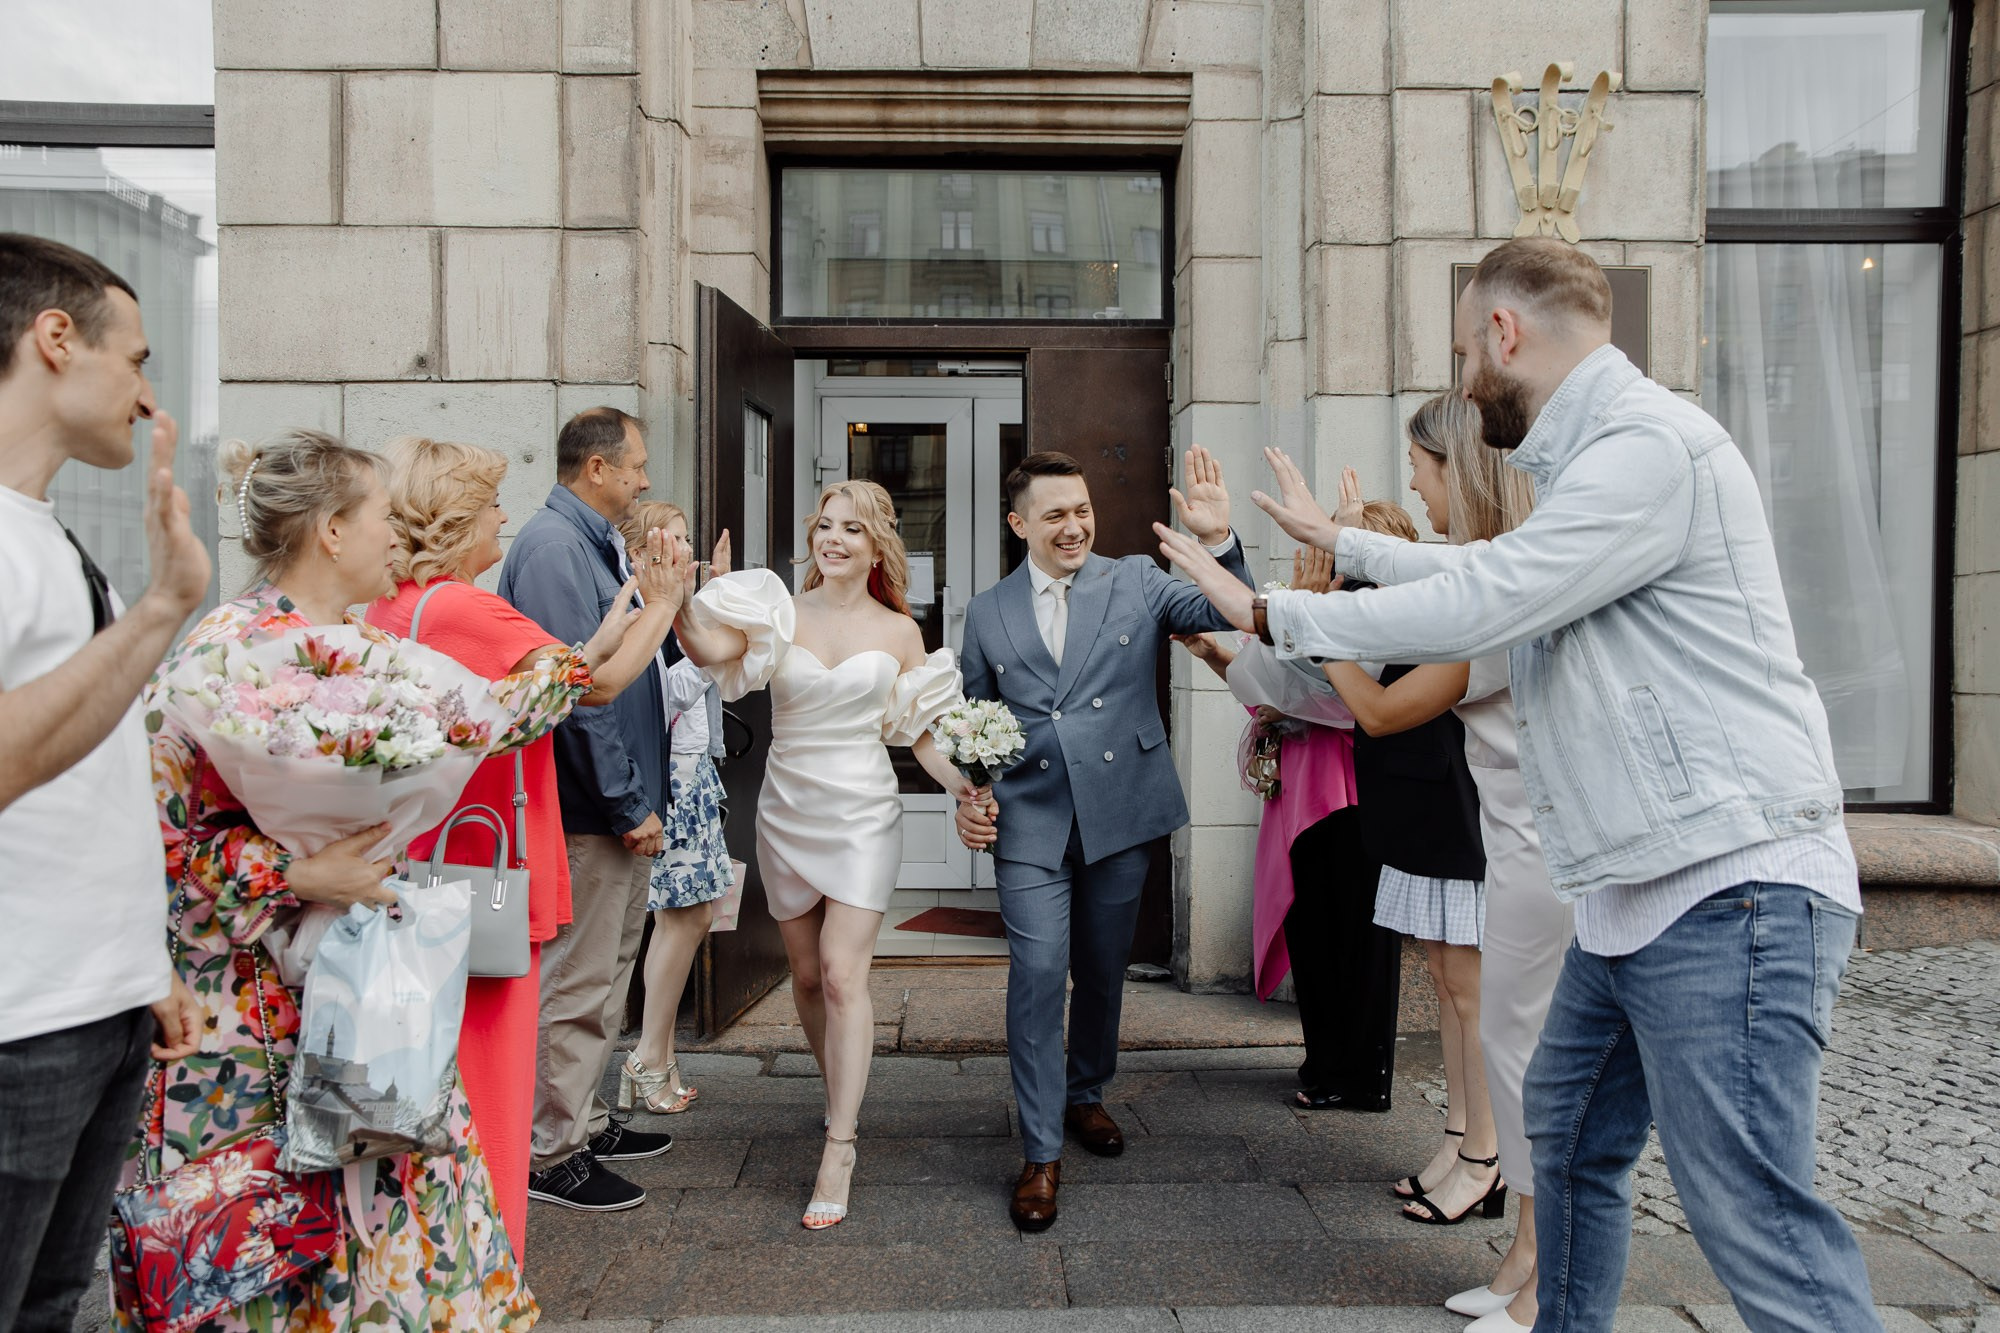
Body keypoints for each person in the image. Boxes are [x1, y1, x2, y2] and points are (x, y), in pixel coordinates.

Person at [1157, 236, 1878, 1333]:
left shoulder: (1647, 448)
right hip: (1631, 891)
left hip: (1726, 882)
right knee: (1567, 1140)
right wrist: (1340, 541)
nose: (1459, 383)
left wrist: (1272, 609)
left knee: (1752, 1219)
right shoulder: (1593, 460)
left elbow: (1494, 595)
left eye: (1459, 353)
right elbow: (1482, 571)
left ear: (1503, 333)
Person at [130, 429, 578, 1327]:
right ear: (331, 530)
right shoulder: (224, 653)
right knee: (267, 1264)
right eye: (379, 516)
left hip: (368, 1011)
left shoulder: (362, 648)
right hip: (247, 1032)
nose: (394, 536)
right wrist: (297, 868)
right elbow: (154, 842)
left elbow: (485, 720)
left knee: (395, 1249)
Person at [368, 436, 690, 1257]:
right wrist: (662, 600)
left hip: (432, 856)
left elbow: (565, 662)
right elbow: (593, 686)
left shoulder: (393, 606)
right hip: (490, 856)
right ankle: (494, 1246)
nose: (503, 519)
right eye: (488, 507)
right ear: (454, 522)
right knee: (500, 1052)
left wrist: (623, 606)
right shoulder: (461, 608)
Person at [953, 447, 1252, 1232]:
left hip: (1121, 808)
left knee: (1101, 969)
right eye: (1055, 514)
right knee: (1039, 971)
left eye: (1082, 509)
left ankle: (1085, 1091)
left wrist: (1219, 543)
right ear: (1020, 523)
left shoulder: (1136, 581)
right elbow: (973, 728)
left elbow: (1226, 610)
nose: (1075, 525)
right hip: (1031, 819)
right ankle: (1041, 1150)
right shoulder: (987, 611)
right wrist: (971, 794)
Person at [1312, 399, 1563, 1331]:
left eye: (1421, 467)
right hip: (1514, 845)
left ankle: (1542, 1286)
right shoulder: (1488, 574)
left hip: (1539, 854)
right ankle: (1523, 1264)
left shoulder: (1503, 587)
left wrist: (1304, 609)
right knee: (1511, 1047)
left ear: (1462, 470)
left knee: (1533, 1065)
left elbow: (1382, 708)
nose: (1413, 485)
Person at [673, 480, 974, 1230]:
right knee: (806, 975)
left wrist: (963, 786)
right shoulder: (779, 613)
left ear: (876, 546)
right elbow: (711, 652)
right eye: (826, 526)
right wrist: (680, 598)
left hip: (864, 812)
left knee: (844, 974)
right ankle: (838, 1087)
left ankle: (840, 1142)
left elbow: (918, 730)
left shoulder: (901, 631)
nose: (832, 539)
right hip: (788, 809)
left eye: (850, 529)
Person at [0, 233, 205, 1332]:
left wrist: (138, 960)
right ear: (54, 337)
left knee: (46, 1304)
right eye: (135, 360)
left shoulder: (47, 534)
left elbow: (90, 772)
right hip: (18, 1022)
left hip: (90, 1002)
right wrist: (165, 608)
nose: (145, 395)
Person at [499, 406, 678, 1212]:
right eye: (635, 465)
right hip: (587, 810)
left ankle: (588, 1116)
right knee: (576, 985)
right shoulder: (551, 547)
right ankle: (550, 1153)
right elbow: (579, 693)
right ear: (596, 468)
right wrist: (626, 802)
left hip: (615, 804)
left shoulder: (591, 541)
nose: (645, 479)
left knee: (607, 978)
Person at [617, 499, 735, 1117]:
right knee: (682, 918)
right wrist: (717, 653)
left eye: (688, 538)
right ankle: (647, 1056)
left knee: (691, 918)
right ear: (640, 552)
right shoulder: (639, 610)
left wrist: (712, 598)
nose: (686, 550)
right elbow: (659, 701)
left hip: (693, 776)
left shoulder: (665, 607)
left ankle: (655, 1052)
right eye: (675, 540)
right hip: (675, 779)